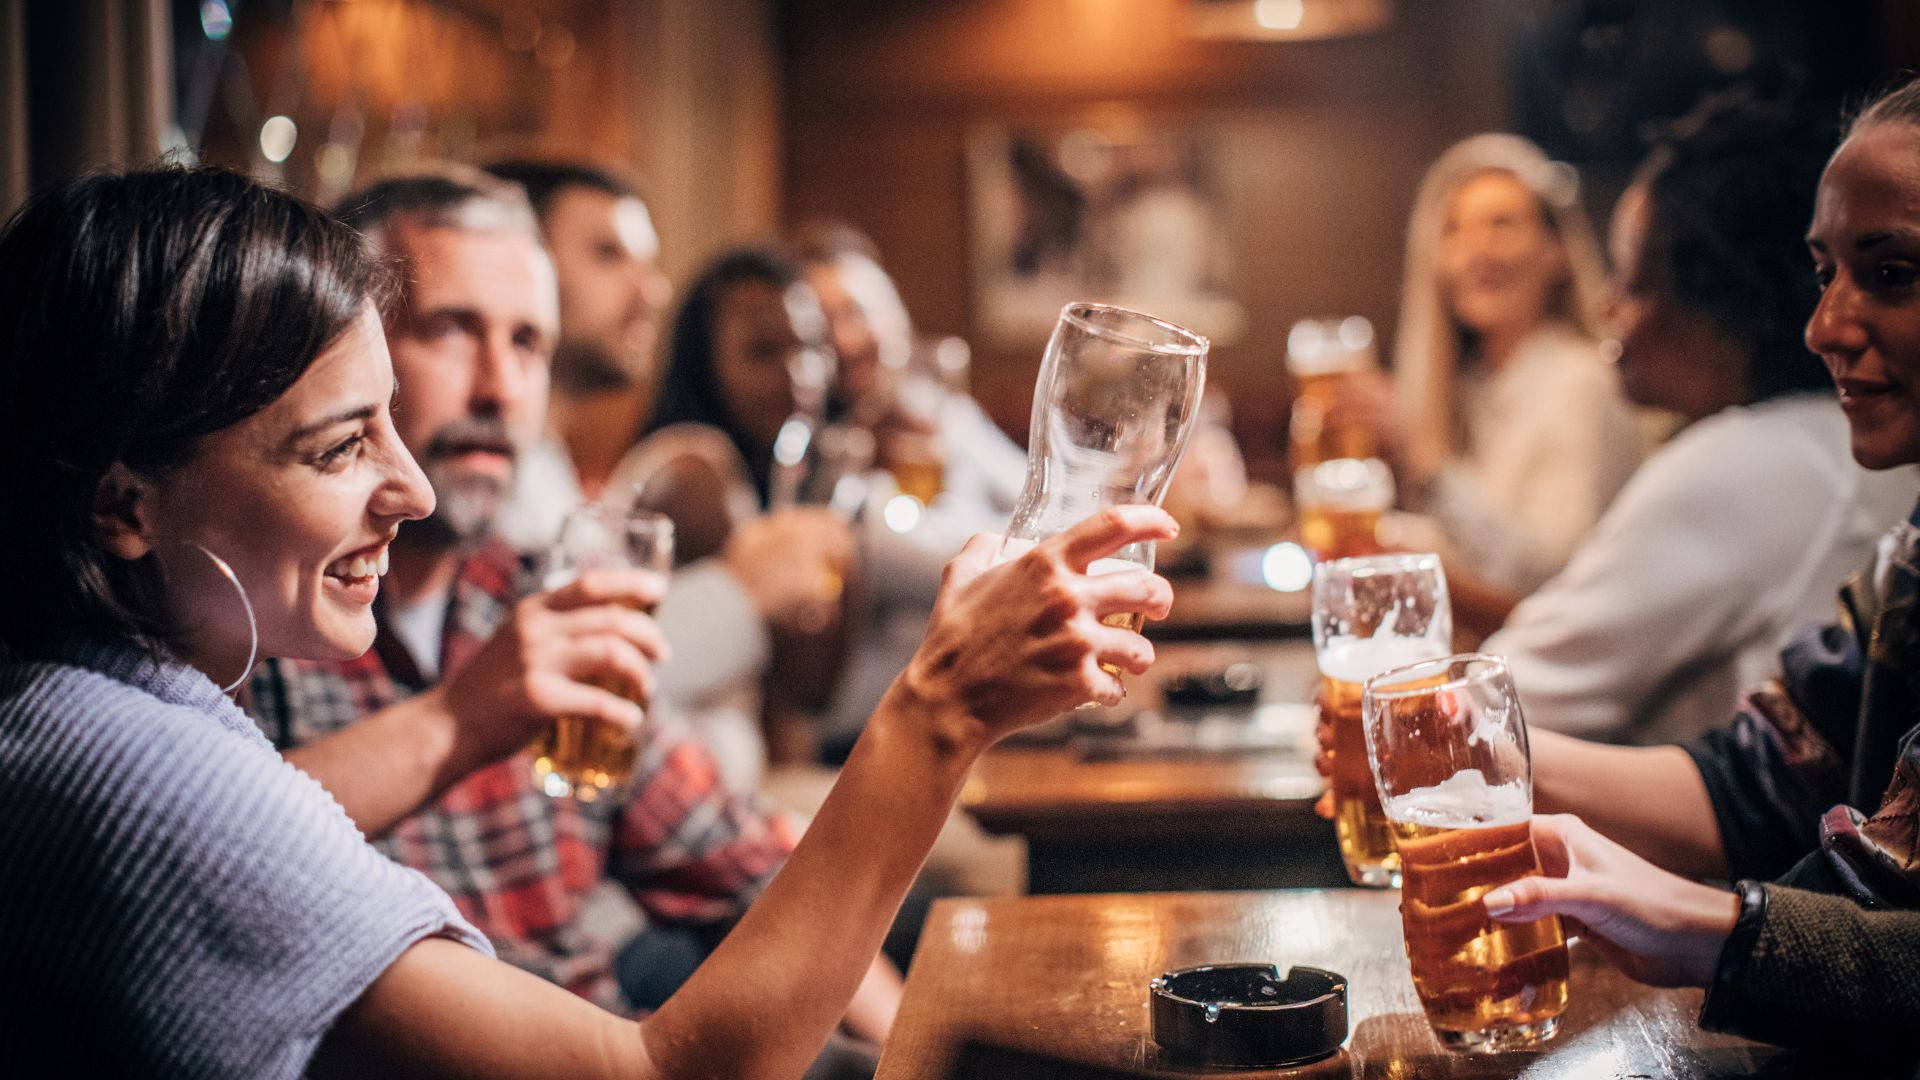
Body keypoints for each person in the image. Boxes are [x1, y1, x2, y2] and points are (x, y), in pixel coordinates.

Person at [0, 163, 1177, 1077]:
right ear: (123, 506)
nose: (408, 488)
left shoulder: (112, 708)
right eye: (344, 441)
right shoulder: (131, 770)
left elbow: (731, 854)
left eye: (530, 343)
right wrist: (941, 705)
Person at [238, 170, 893, 1073]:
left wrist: (911, 1050)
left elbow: (740, 858)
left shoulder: (535, 591)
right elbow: (206, 856)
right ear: (350, 351)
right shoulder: (255, 612)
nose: (501, 387)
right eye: (450, 330)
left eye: (529, 344)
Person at [1465, 81, 1920, 1059]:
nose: (1826, 325)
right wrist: (1485, 757)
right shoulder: (1912, 536)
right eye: (1824, 274)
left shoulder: (1748, 457)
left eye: (1891, 274)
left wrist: (1700, 928)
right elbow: (1768, 779)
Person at [1481, 96, 1916, 745]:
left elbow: (1503, 700)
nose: (1608, 308)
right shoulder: (1838, 443)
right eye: (1825, 275)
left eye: (1632, 280)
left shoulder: (1749, 459)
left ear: (1714, 290)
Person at [481, 159, 851, 796]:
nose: (650, 289)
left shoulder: (546, 463)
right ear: (517, 263)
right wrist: (743, 588)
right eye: (607, 254)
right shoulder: (483, 474)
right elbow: (524, 691)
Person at [1330, 133, 1642, 632]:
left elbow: (1542, 574)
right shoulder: (1473, 384)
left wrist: (1424, 459)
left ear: (1557, 250)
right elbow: (1470, 553)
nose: (1477, 249)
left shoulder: (1583, 381)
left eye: (1502, 224)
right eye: (1455, 229)